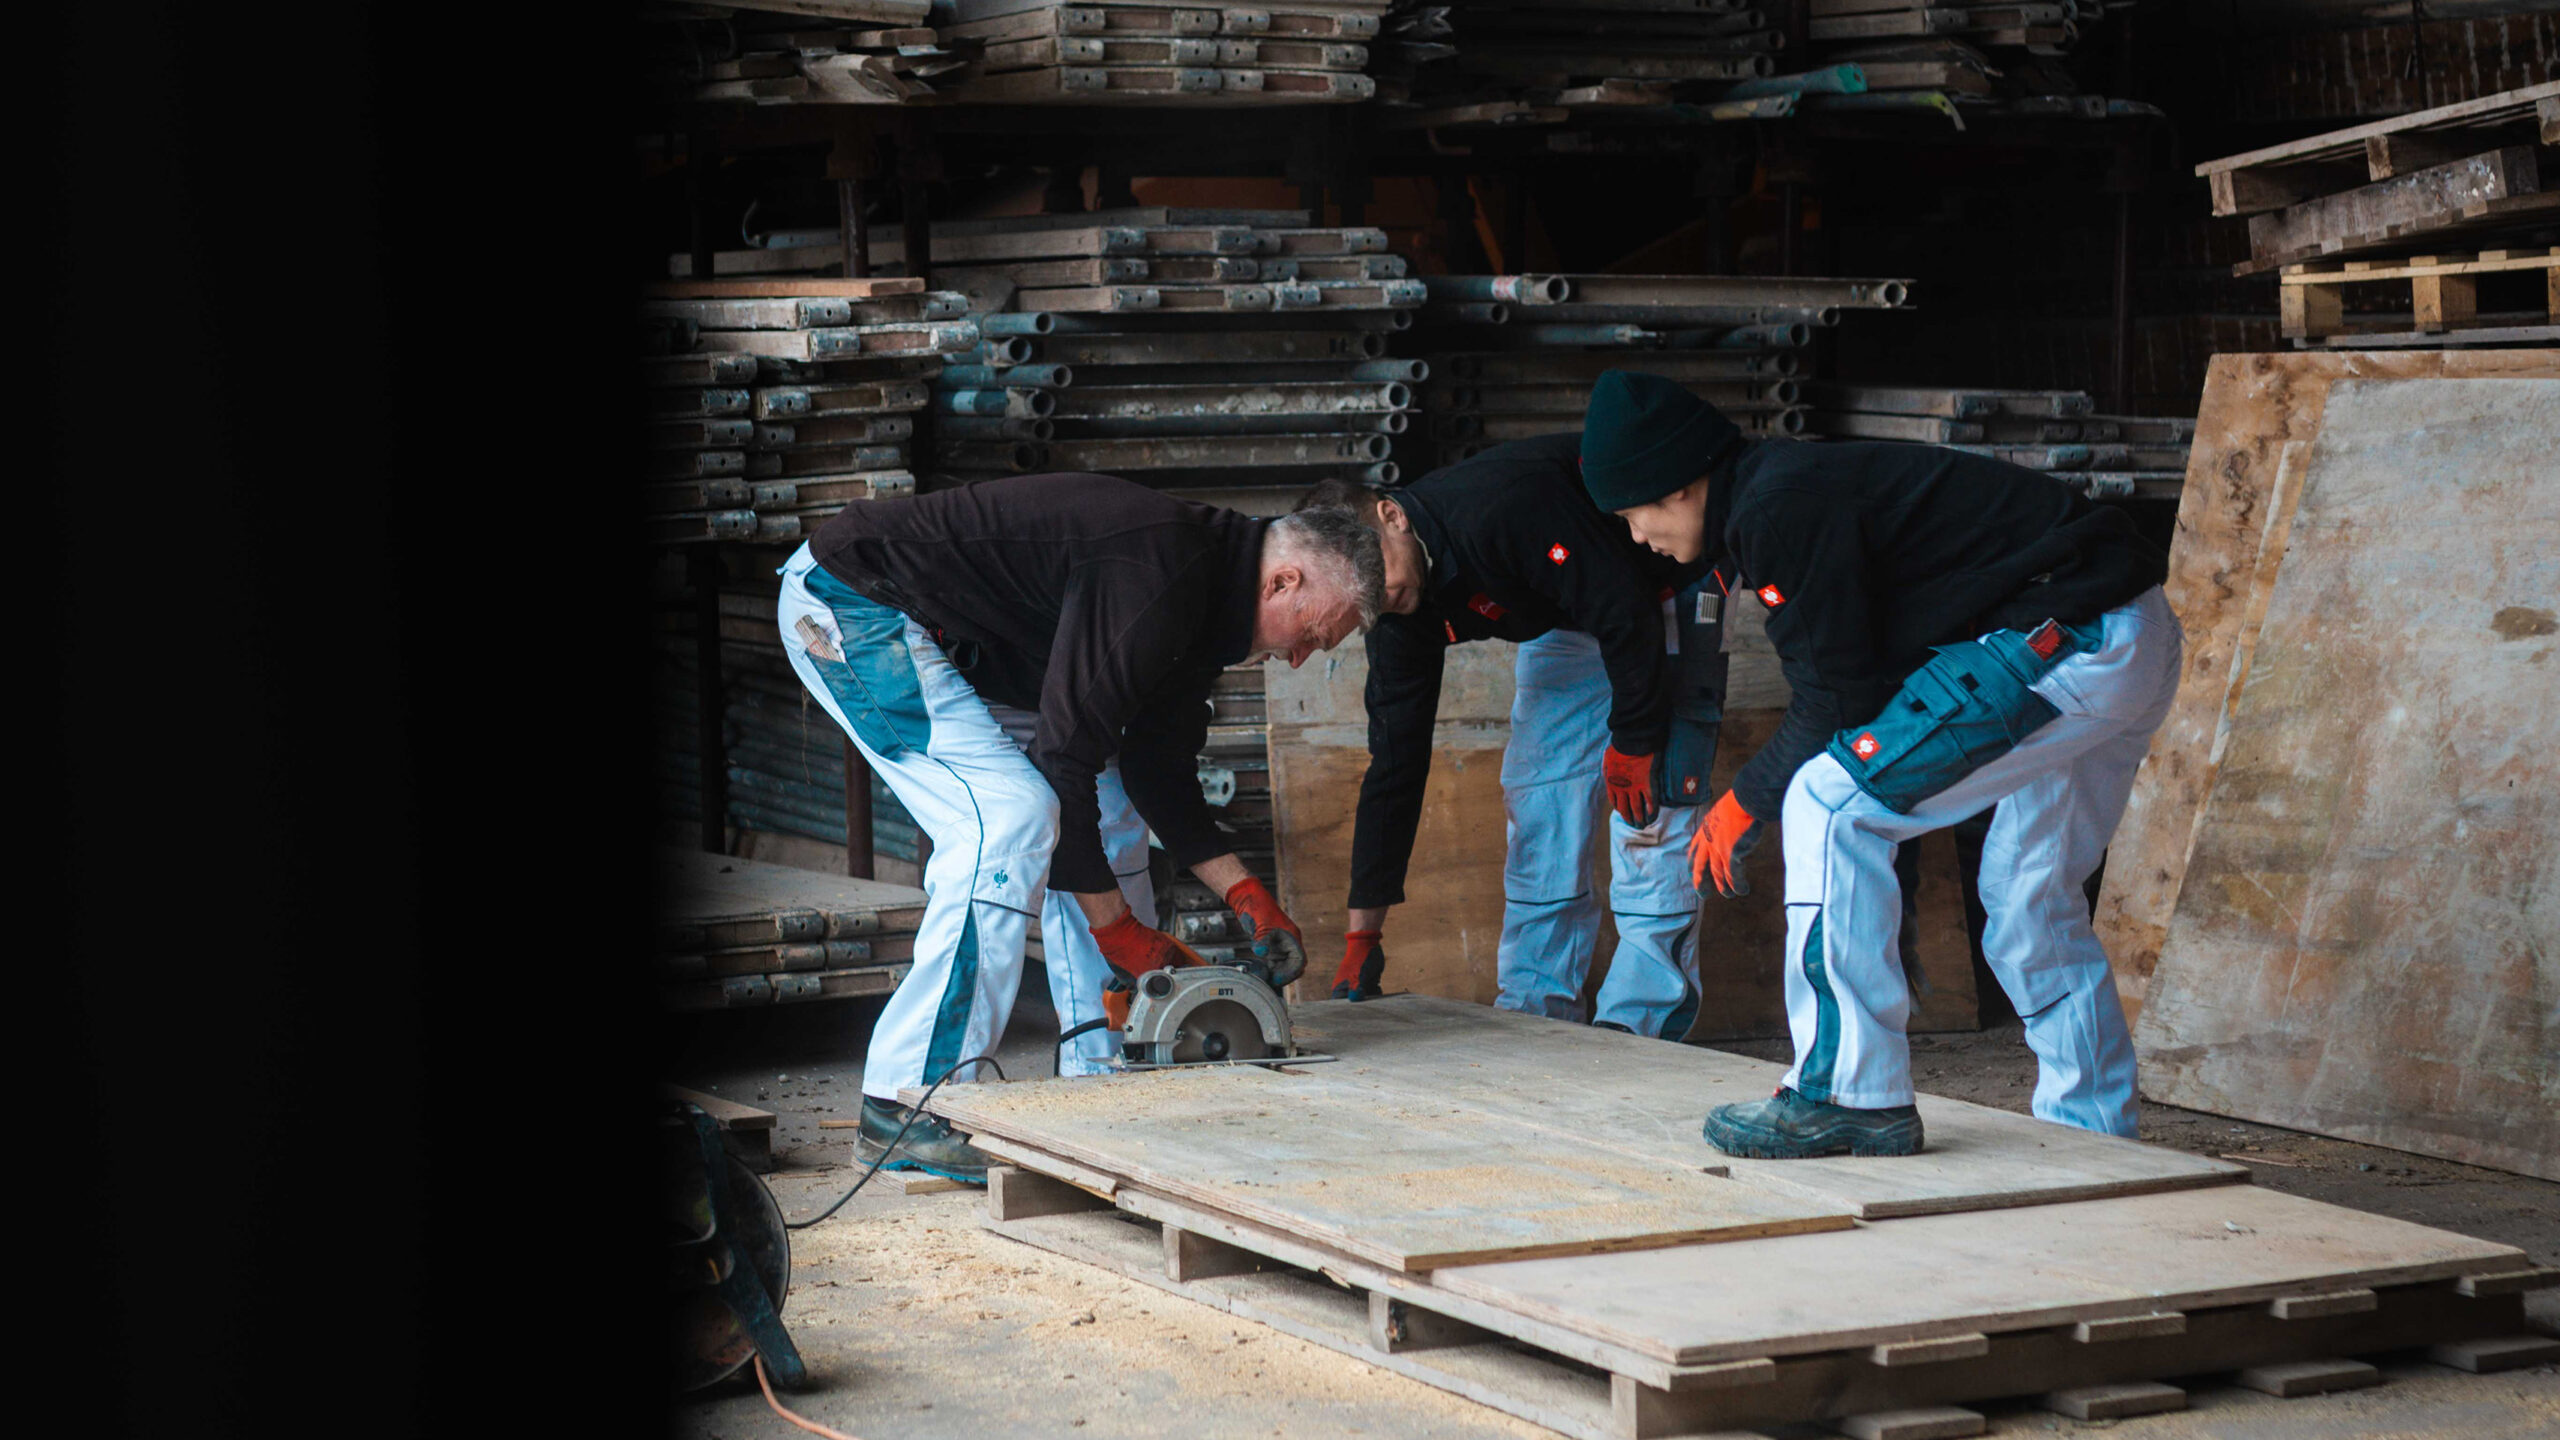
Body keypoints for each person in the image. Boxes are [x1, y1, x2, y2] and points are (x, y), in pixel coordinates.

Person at [1579, 370, 2175, 1157]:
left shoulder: (1772, 509)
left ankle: (1849, 1094)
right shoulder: (1789, 488)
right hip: (2132, 632)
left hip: (2067, 639)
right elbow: (1861, 681)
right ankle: (2097, 1131)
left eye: (1634, 512)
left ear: (1681, 484)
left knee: (1827, 804)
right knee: (2027, 892)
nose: (1636, 536)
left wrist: (1744, 800)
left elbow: (1837, 705)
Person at [776, 474, 1386, 1179]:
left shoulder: (1206, 609)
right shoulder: (1160, 572)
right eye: (1313, 633)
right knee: (1007, 820)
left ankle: (1099, 1076)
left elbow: (1154, 771)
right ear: (1283, 582)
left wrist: (1247, 895)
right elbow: (1062, 757)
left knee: (1111, 811)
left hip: (963, 651)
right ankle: (908, 1105)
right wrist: (1118, 931)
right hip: (856, 604)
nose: (1300, 656)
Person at [1304, 429, 1722, 1037]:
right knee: (1540, 800)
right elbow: (1394, 765)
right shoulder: (1393, 603)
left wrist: (1634, 741)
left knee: (1651, 809)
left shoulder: (1502, 505)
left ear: (1391, 515)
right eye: (1364, 597)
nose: (1383, 597)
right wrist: (1363, 932)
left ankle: (1642, 1023)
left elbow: (1624, 611)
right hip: (1566, 609)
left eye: (1381, 578)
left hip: (1661, 583)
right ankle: (1537, 1017)